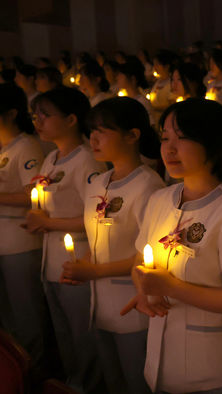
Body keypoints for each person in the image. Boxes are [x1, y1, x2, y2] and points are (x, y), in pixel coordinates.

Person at [122, 98, 222, 393]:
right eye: (165, 138)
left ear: (213, 144)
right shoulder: (161, 199)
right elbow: (140, 259)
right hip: (162, 356)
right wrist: (143, 288)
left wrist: (171, 287)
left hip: (213, 369)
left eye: (183, 138)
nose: (169, 149)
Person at [59, 97, 163, 393]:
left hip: (133, 302)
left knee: (135, 381)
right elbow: (96, 239)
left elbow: (145, 254)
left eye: (103, 131)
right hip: (99, 302)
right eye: (91, 130)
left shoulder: (148, 185)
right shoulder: (98, 181)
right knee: (112, 380)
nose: (93, 138)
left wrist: (94, 271)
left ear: (132, 135)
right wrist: (85, 263)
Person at [25, 87, 106, 392]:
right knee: (65, 335)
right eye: (36, 114)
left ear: (72, 119)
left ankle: (87, 385)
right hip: (52, 261)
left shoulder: (86, 160)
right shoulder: (52, 159)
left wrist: (48, 222)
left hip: (77, 262)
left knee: (83, 334)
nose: (38, 120)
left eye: (45, 115)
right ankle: (72, 382)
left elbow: (94, 218)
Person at [0, 83, 50, 379]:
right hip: (4, 242)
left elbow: (35, 195)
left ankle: (34, 373)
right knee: (8, 314)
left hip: (21, 242)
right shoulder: (5, 148)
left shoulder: (26, 146)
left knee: (26, 312)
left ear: (11, 113)